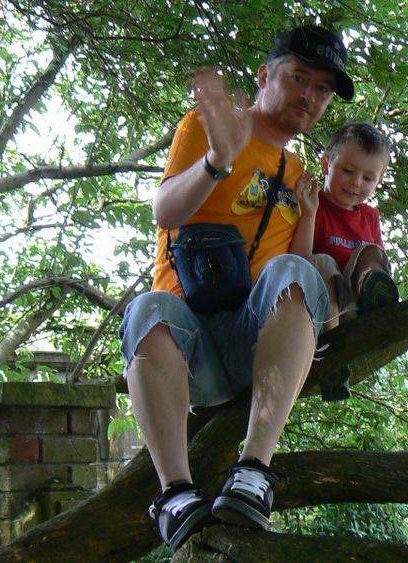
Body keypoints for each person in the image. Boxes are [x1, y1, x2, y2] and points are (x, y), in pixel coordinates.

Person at [118, 26, 355, 552]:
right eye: (298, 78)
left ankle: (253, 471)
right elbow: (164, 211)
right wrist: (217, 161)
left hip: (254, 350)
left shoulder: (298, 171)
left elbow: (293, 285)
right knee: (145, 309)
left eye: (321, 89)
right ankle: (175, 492)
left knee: (298, 274)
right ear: (265, 76)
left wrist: (311, 216)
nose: (309, 97)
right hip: (187, 345)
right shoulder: (207, 128)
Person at [291, 122, 399, 400]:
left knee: (370, 252)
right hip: (324, 311)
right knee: (322, 263)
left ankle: (376, 299)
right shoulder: (312, 203)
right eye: (347, 171)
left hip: (355, 301)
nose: (356, 183)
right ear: (326, 165)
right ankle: (333, 357)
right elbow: (298, 260)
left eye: (368, 178)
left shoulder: (370, 217)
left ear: (379, 181)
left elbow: (375, 256)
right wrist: (309, 214)